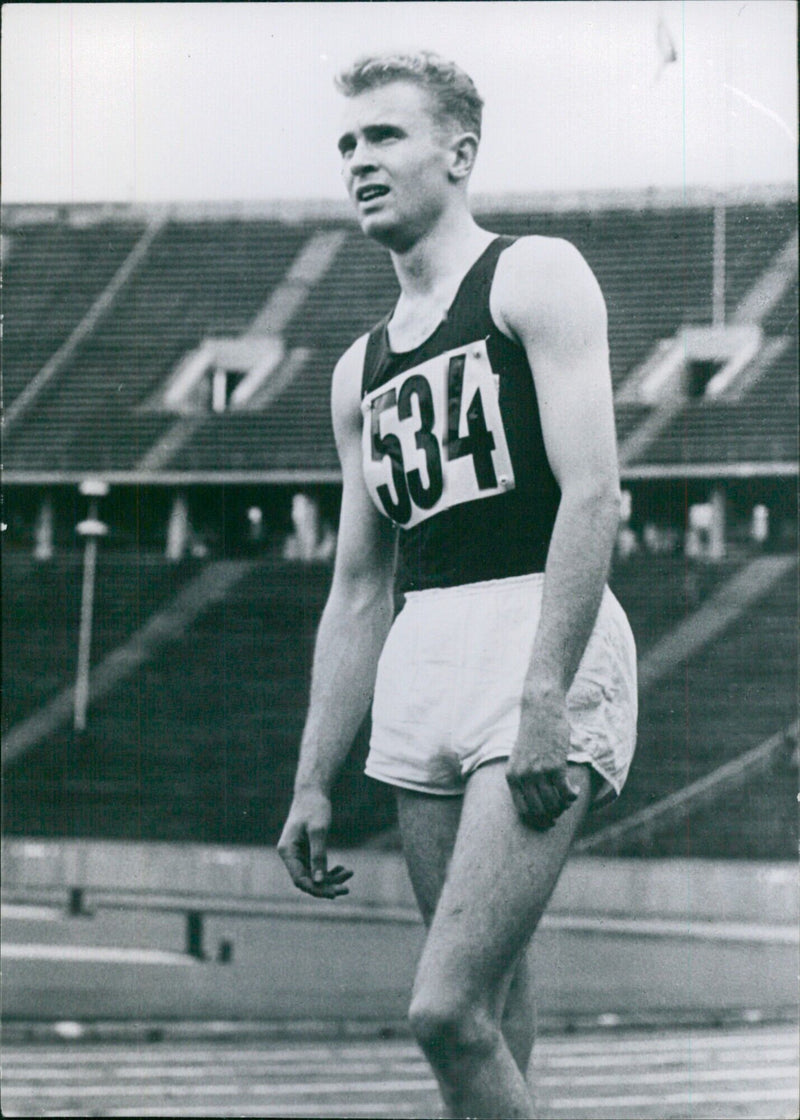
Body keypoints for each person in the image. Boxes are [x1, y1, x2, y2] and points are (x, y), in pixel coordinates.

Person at [278, 51, 638, 1119]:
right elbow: (354, 585)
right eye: (346, 144)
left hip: (539, 629)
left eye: (383, 137)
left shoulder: (532, 276)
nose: (359, 161)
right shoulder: (358, 370)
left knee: (440, 1011)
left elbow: (592, 495)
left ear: (459, 152)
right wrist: (310, 776)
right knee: (490, 998)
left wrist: (542, 692)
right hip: (422, 652)